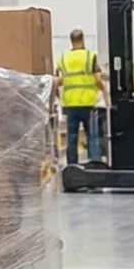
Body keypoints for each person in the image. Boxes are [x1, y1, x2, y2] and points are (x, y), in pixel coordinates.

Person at [56, 27, 106, 166]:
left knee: (72, 138)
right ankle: (94, 164)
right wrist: (105, 92)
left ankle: (72, 166)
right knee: (92, 136)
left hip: (70, 104)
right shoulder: (90, 56)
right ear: (83, 40)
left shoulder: (63, 59)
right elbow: (97, 79)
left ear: (71, 41)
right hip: (88, 103)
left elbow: (58, 81)